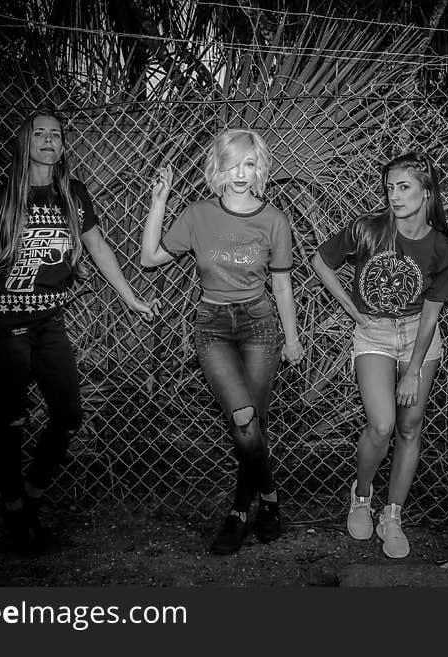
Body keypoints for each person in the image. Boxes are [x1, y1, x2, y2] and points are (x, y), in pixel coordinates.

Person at [0, 111, 158, 554]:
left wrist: (130, 297)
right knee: (12, 418)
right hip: (6, 323)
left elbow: (96, 247)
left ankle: (31, 496)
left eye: (56, 135)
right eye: (40, 134)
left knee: (68, 414)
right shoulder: (2, 198)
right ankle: (14, 509)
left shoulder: (72, 194)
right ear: (25, 142)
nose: (49, 140)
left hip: (49, 322)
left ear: (62, 145)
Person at [140, 128, 303, 556]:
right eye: (232, 164)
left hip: (259, 325)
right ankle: (267, 500)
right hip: (212, 325)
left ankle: (239, 511)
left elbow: (282, 286)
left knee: (250, 426)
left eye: (249, 164)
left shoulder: (274, 220)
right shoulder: (198, 215)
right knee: (244, 419)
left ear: (260, 168)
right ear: (218, 167)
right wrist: (159, 201)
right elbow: (150, 257)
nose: (240, 174)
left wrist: (293, 339)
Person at [311, 152, 448, 559]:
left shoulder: (440, 247)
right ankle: (361, 495)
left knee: (410, 427)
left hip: (418, 338)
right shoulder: (367, 229)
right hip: (373, 333)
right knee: (381, 424)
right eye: (390, 187)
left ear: (427, 193)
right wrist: (351, 308)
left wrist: (413, 371)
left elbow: (431, 317)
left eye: (404, 187)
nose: (394, 195)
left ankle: (392, 515)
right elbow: (320, 260)